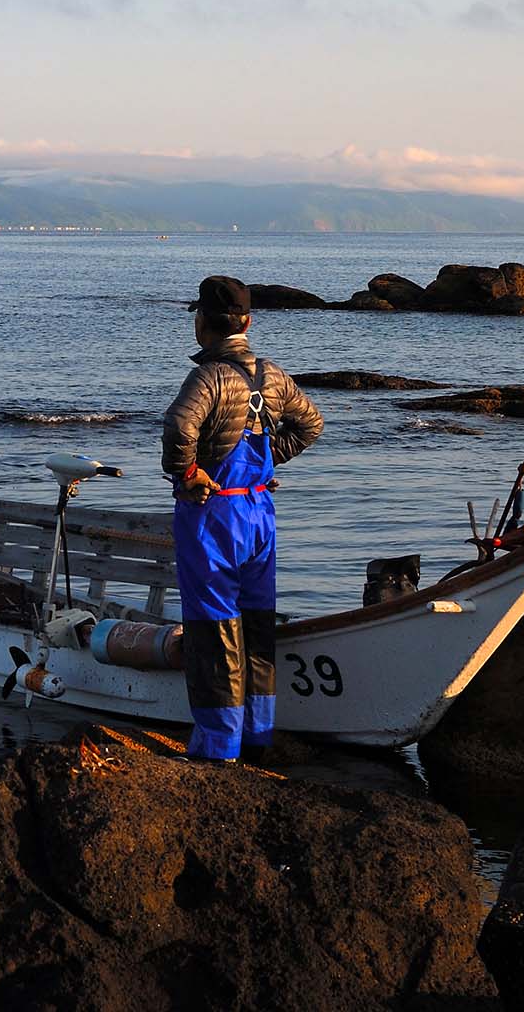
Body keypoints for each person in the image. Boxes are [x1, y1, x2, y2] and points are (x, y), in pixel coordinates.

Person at [161, 275, 323, 763]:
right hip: (259, 512)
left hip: (215, 515)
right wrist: (272, 457)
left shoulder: (209, 377)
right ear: (247, 322)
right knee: (256, 624)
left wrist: (189, 476)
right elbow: (311, 423)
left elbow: (178, 426)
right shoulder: (272, 375)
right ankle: (259, 737)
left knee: (213, 627)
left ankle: (218, 746)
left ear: (201, 324)